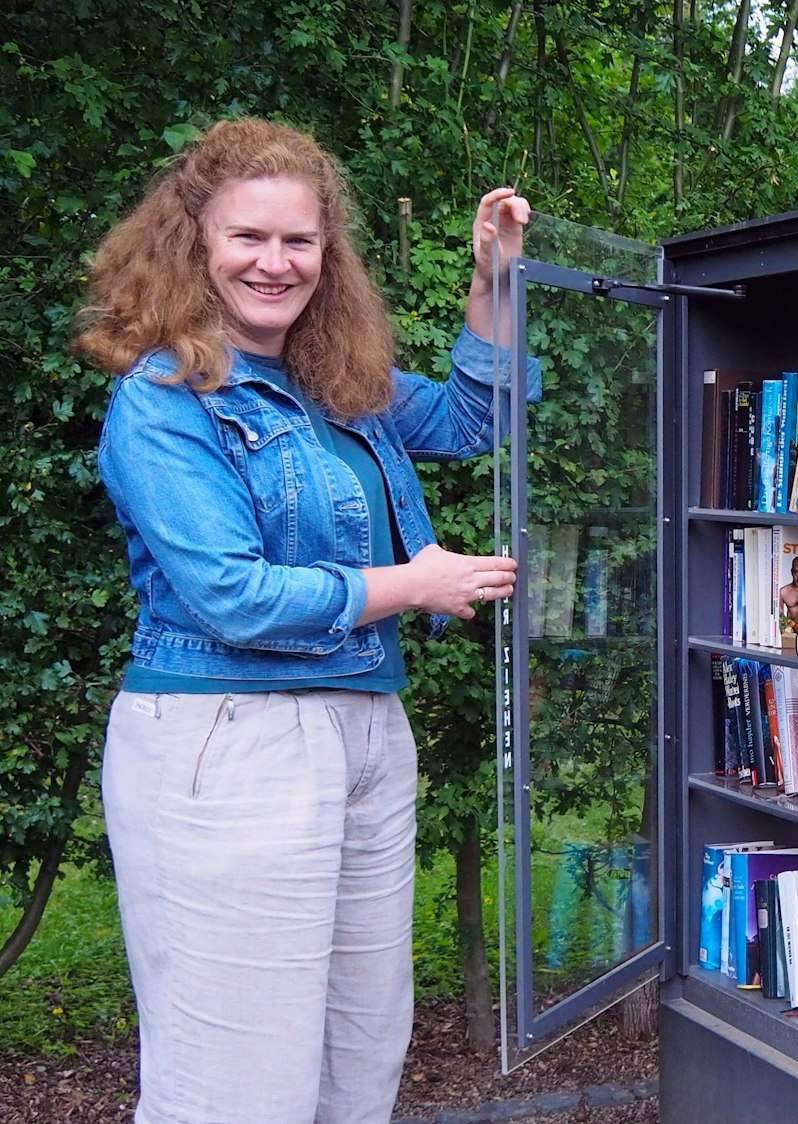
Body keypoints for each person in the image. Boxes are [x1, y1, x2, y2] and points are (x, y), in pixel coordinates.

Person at [74, 118, 537, 1124]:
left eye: (299, 240)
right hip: (231, 739)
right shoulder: (163, 399)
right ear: (194, 242)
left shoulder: (339, 382)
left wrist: (494, 282)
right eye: (248, 236)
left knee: (358, 1061)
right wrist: (411, 584)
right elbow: (232, 595)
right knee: (236, 1088)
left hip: (366, 728)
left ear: (329, 253)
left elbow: (479, 420)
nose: (274, 262)